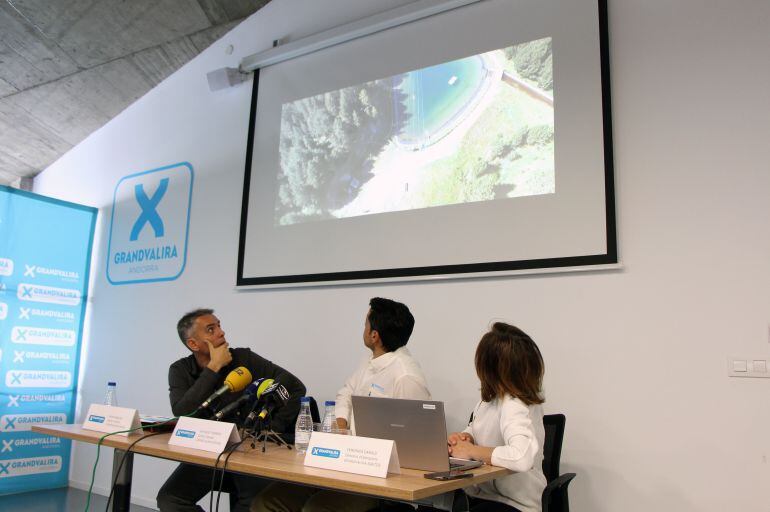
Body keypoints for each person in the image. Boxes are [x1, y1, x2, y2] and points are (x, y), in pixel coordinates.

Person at [251, 297, 431, 512]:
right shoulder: (372, 359)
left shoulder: (406, 376)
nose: (363, 328)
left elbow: (415, 444)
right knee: (266, 501)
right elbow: (346, 392)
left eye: (365, 323)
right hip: (343, 462)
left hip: (378, 480)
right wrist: (341, 425)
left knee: (316, 509)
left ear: (374, 335)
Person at [157, 308, 306, 512]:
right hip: (210, 450)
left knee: (251, 504)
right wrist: (213, 367)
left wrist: (271, 427)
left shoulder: (244, 358)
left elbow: (294, 386)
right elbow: (183, 412)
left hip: (248, 452)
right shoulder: (180, 370)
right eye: (211, 329)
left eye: (219, 326)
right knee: (170, 499)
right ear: (193, 344)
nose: (221, 332)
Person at [446, 322, 547, 512]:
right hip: (485, 496)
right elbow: (478, 426)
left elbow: (521, 457)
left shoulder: (514, 404)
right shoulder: (490, 400)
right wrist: (466, 437)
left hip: (515, 504)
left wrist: (472, 451)